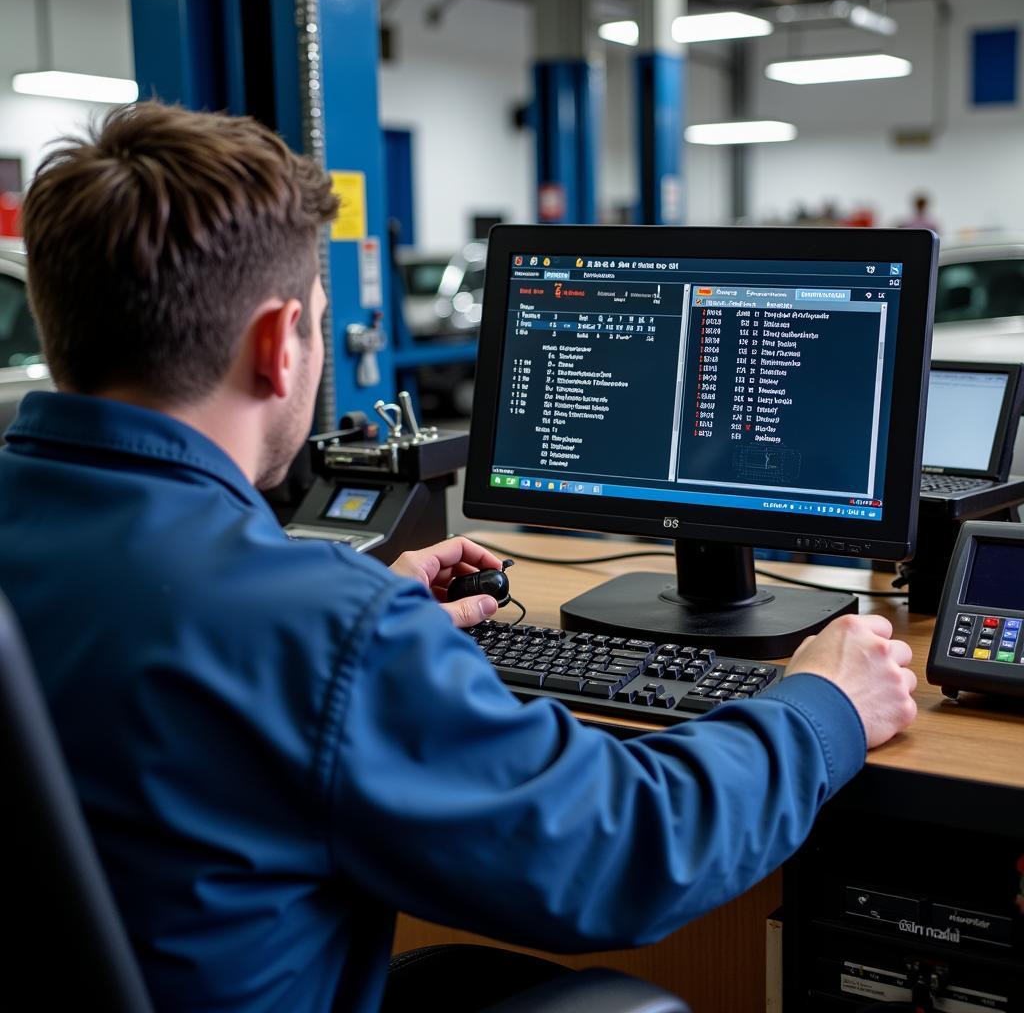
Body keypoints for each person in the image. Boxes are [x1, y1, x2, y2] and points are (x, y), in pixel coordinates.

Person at [1, 102, 917, 1013]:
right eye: (321, 323)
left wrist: (360, 626)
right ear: (279, 345)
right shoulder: (310, 628)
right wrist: (824, 706)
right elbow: (622, 852)